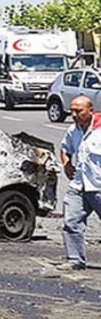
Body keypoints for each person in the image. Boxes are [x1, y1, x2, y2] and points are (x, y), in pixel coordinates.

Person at [59, 96, 101, 271]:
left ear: (91, 111)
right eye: (72, 110)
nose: (74, 114)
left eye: (79, 111)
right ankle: (75, 259)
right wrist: (66, 164)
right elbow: (65, 148)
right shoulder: (73, 130)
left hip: (98, 186)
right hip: (79, 185)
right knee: (71, 221)